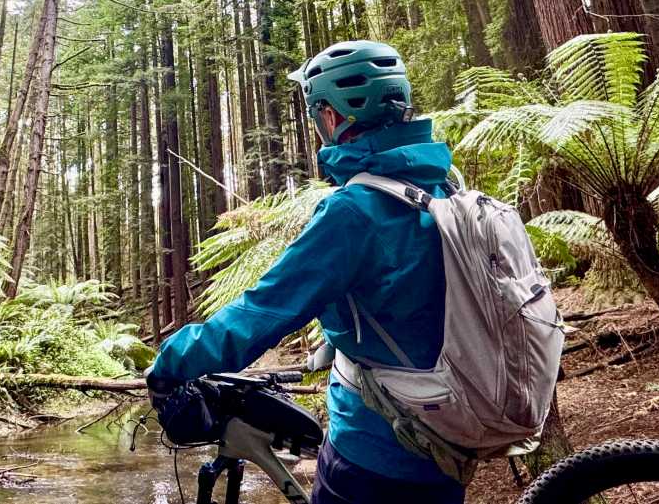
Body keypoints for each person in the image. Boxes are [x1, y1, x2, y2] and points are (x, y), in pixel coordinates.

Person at [146, 40, 465, 504]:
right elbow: (407, 294)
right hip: (448, 437)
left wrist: (170, 363)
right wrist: (334, 343)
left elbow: (262, 311)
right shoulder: (441, 182)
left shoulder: (354, 211)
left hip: (377, 450)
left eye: (317, 111)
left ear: (334, 117)